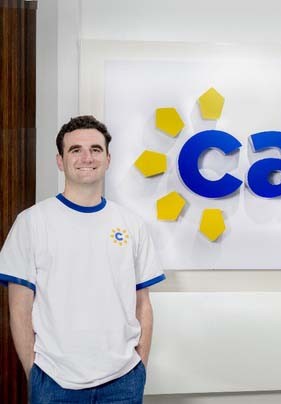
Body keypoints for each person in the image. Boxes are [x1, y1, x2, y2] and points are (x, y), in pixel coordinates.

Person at [0, 115, 165, 403]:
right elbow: (19, 307)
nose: (86, 157)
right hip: (54, 380)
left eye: (95, 149)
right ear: (60, 161)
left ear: (108, 159)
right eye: (75, 150)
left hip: (123, 380)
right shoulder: (31, 222)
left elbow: (143, 303)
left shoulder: (131, 224)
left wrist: (139, 367)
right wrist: (34, 372)